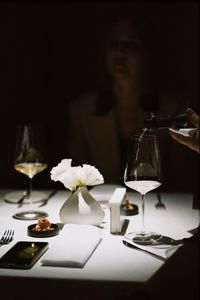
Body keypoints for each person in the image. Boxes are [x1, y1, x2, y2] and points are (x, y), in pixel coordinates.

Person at [66, 16, 161, 184]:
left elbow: (183, 181)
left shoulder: (173, 109)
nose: (120, 53)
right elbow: (75, 177)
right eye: (114, 45)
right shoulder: (81, 110)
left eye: (130, 45)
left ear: (146, 53)